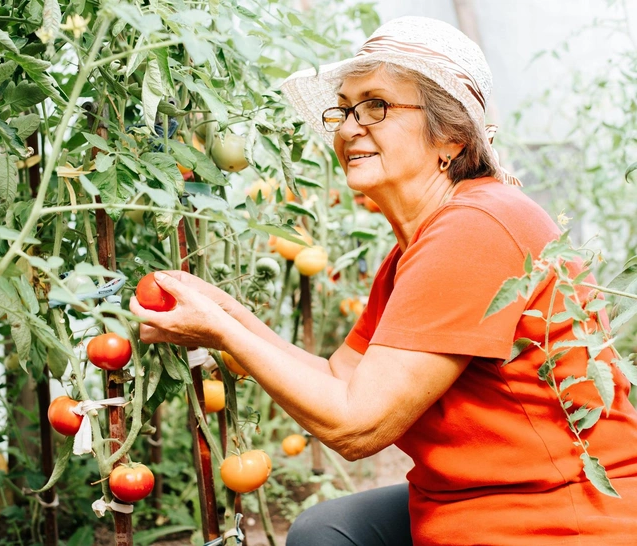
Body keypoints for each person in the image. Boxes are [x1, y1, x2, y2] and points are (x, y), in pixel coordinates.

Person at [130, 16, 637, 546]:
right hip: (464, 501)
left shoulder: (476, 229)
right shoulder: (415, 251)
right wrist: (228, 315)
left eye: (376, 105)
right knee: (324, 529)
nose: (350, 127)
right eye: (344, 109)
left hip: (550, 519)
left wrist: (221, 333)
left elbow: (356, 425)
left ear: (452, 136)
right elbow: (340, 376)